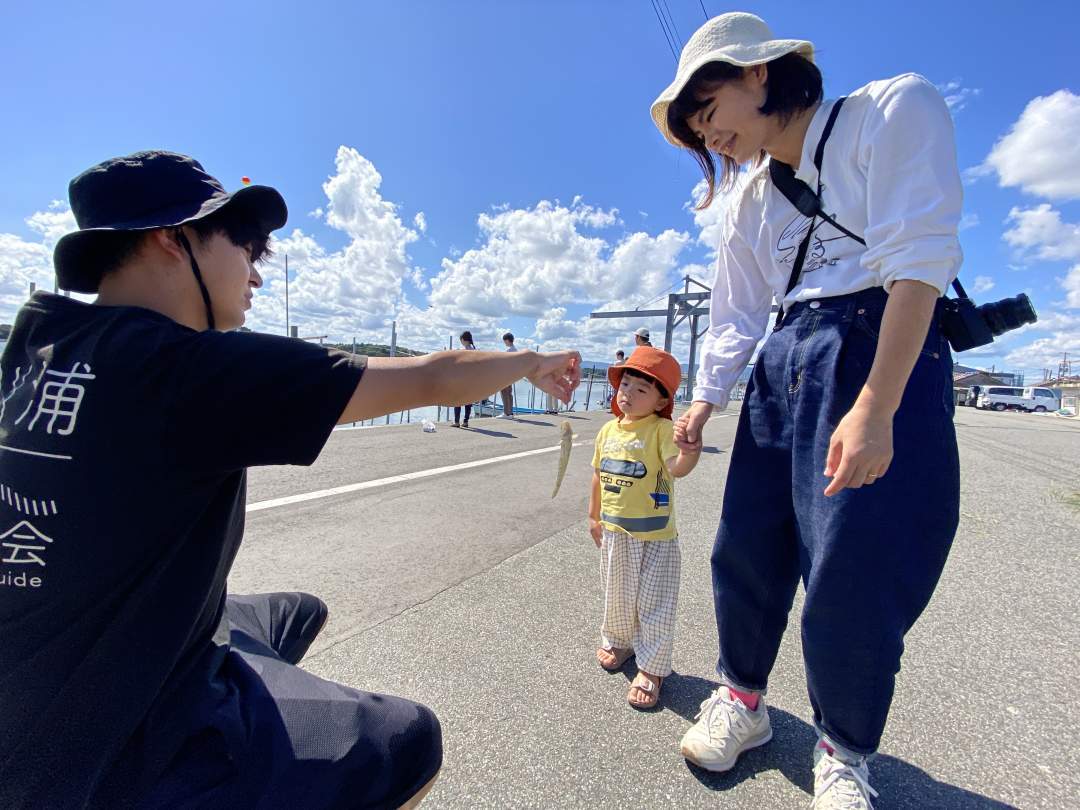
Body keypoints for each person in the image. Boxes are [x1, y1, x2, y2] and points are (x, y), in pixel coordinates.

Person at [0, 150, 581, 810]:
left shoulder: (40, 341)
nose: (253, 271)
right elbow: (433, 378)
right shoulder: (188, 371)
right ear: (172, 236)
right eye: (245, 246)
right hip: (104, 755)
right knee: (408, 741)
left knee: (296, 611)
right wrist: (534, 359)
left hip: (30, 689)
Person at [651, 13, 962, 808]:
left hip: (876, 341)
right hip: (785, 357)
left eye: (707, 105)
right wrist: (704, 401)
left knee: (854, 566)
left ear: (760, 72)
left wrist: (877, 405)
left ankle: (846, 750)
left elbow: (918, 265)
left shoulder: (889, 111)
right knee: (747, 546)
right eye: (692, 127)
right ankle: (743, 699)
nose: (706, 132)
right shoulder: (748, 202)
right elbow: (738, 315)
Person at [588, 348, 700, 710]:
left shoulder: (661, 429)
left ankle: (652, 667)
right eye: (625, 384)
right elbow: (597, 474)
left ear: (662, 399)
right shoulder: (607, 430)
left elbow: (677, 468)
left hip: (656, 535)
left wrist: (690, 451)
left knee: (655, 600)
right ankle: (620, 641)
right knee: (616, 593)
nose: (627, 394)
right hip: (616, 530)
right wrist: (593, 516)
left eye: (640, 390)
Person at [452, 330, 478, 427]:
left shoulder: (463, 352)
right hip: (472, 380)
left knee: (457, 400)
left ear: (463, 339)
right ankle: (466, 421)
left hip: (462, 379)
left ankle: (456, 421)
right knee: (468, 401)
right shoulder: (475, 351)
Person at [497, 331, 517, 418]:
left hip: (506, 374)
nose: (504, 343)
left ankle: (506, 413)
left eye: (504, 341)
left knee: (504, 393)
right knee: (509, 393)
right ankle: (510, 412)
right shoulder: (515, 350)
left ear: (507, 340)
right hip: (512, 375)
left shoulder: (508, 351)